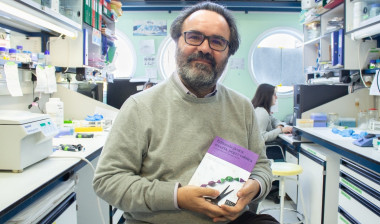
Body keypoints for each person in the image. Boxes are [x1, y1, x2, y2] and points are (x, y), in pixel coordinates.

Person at [93, 2, 277, 223]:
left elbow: (262, 167)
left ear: (229, 53)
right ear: (177, 41)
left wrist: (255, 186)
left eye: (217, 42)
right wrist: (177, 197)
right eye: (194, 37)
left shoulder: (242, 107)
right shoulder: (139, 107)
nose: (205, 48)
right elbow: (107, 181)